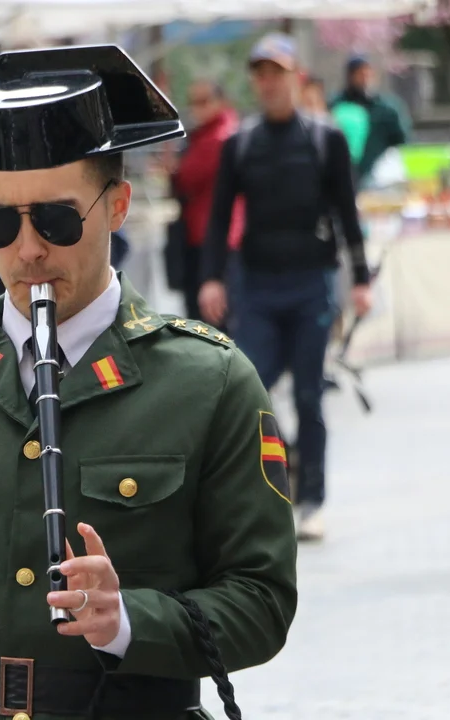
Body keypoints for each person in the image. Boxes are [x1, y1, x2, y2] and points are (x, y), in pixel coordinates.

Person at [0, 44, 297, 720]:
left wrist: (128, 621)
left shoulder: (210, 381)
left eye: (56, 219)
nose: (28, 250)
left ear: (117, 206)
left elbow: (262, 600)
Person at [199, 33, 373, 541]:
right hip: (257, 285)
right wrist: (212, 277)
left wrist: (361, 279)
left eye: (276, 72)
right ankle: (268, 492)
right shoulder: (240, 144)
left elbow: (347, 213)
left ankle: (312, 499)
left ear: (295, 76)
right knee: (252, 392)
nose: (268, 83)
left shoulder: (325, 139)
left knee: (309, 395)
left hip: (311, 283)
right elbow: (218, 218)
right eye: (260, 74)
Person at [170, 79, 244, 329]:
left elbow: (188, 176)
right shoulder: (205, 135)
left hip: (214, 240)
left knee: (212, 322)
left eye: (204, 101)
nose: (197, 108)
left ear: (220, 101)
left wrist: (175, 167)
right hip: (205, 235)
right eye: (193, 102)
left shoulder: (221, 137)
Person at [329, 54, 410, 188]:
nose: (364, 78)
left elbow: (401, 141)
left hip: (378, 177)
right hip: (342, 175)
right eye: (359, 74)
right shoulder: (336, 106)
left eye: (367, 73)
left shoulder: (386, 108)